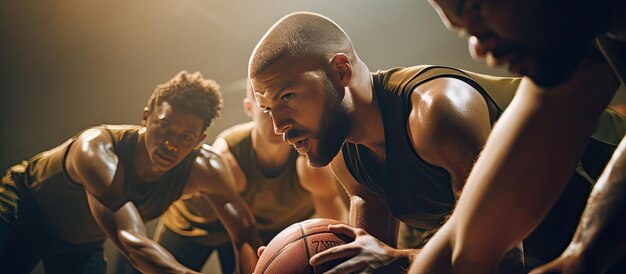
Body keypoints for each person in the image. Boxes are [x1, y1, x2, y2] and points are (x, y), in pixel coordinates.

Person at [247, 12, 625, 273]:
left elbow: (499, 256)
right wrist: (298, 261)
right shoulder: (345, 157)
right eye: (266, 108)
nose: (278, 125)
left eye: (288, 97)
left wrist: (399, 258)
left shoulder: (436, 113)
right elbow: (373, 265)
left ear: (340, 71)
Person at [410, 1, 626, 273]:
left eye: (477, 8)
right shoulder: (582, 32)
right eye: (464, 30)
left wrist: (585, 256)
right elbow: (462, 243)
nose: (477, 49)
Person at [0, 71, 262, 274]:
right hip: (21, 211)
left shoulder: (207, 169)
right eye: (165, 127)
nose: (171, 144)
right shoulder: (96, 149)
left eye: (186, 136)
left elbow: (245, 231)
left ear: (199, 139)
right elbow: (132, 241)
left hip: (79, 242)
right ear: (146, 117)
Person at [150, 80, 348, 273]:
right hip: (195, 224)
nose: (276, 118)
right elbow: (242, 231)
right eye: (266, 108)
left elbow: (333, 231)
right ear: (250, 108)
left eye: (285, 103)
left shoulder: (310, 166)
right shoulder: (229, 157)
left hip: (265, 231)